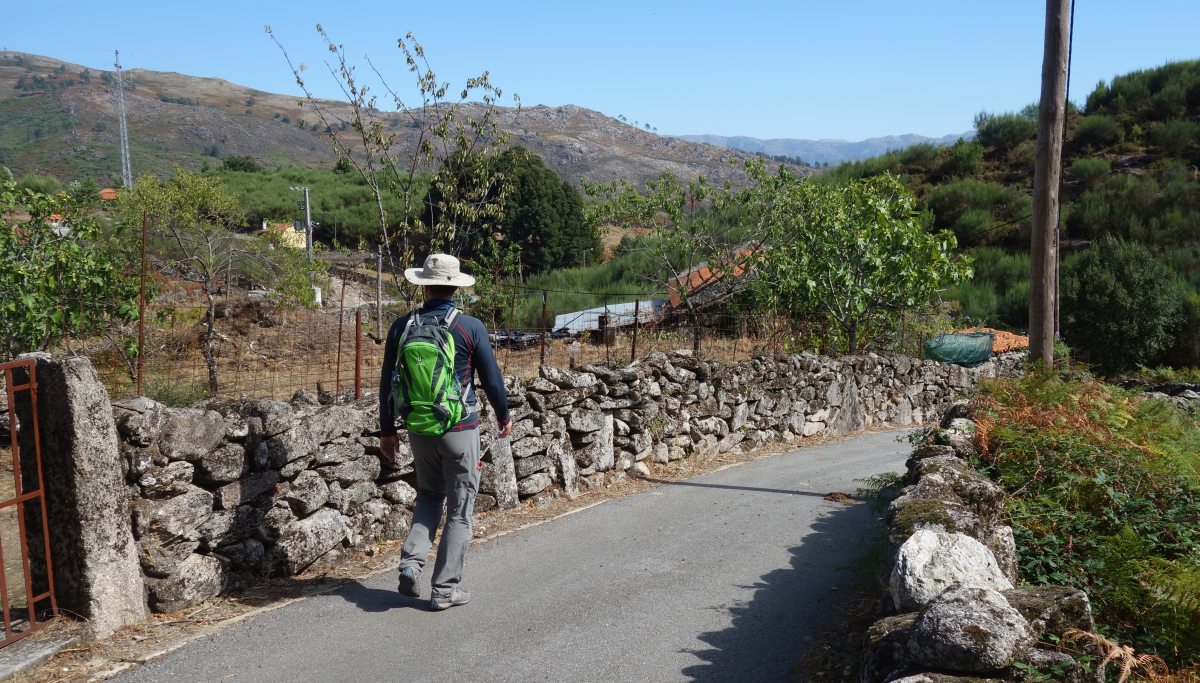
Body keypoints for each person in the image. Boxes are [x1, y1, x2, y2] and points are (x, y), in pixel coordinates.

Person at [379, 253, 512, 611]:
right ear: (455, 286)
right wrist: (504, 414)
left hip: (419, 426)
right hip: (460, 427)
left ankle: (411, 562)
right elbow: (492, 380)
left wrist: (387, 431)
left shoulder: (401, 326)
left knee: (428, 495)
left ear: (423, 285)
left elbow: (387, 383)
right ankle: (445, 590)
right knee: (459, 510)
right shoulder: (470, 326)